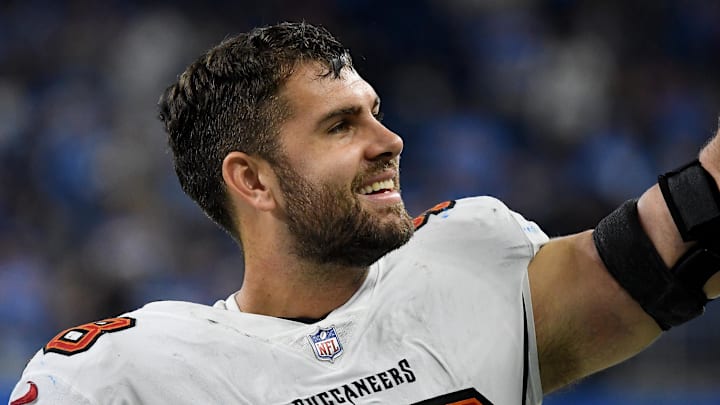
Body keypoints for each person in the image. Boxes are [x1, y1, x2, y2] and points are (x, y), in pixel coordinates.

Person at [8, 21, 720, 405]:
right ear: (253, 180)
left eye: (375, 112)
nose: (391, 142)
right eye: (341, 126)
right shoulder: (124, 375)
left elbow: (683, 238)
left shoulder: (461, 265)